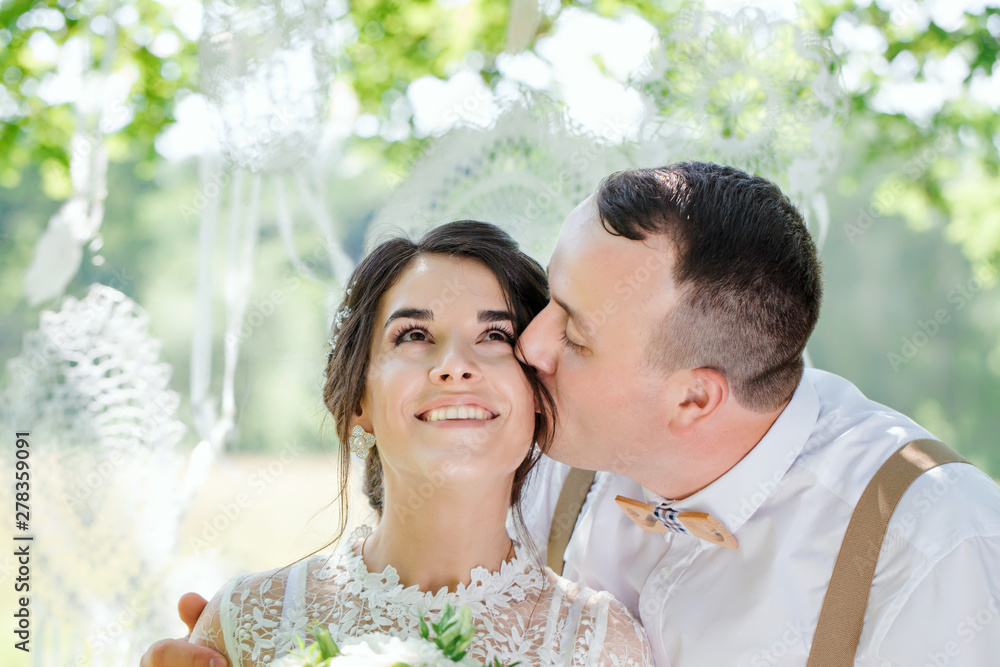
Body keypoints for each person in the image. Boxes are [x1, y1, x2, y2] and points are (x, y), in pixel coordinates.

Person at [144, 163, 1000, 667]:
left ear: (694, 397)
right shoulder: (541, 429)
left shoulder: (935, 541)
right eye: (544, 302)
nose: (529, 347)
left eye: (575, 333)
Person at [165, 221, 652, 667]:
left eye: (495, 335)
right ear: (359, 398)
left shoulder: (601, 643)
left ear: (538, 395)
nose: (456, 364)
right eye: (415, 334)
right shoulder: (247, 623)